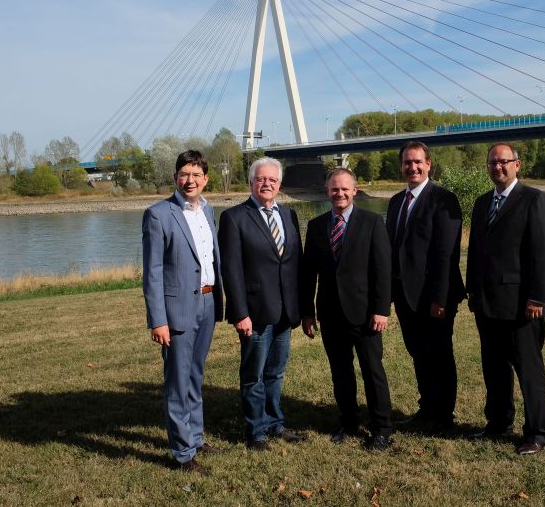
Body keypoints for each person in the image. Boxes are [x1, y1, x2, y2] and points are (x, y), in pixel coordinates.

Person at [466, 143, 545, 455]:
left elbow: (543, 253)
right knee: (494, 369)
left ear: (517, 165)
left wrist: (538, 298)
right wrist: (472, 292)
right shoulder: (481, 204)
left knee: (529, 371)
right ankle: (498, 422)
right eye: (493, 163)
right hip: (487, 303)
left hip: (522, 306)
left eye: (504, 162)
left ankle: (537, 433)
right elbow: (476, 253)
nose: (498, 168)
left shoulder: (533, 199)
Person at [142, 149, 224, 475]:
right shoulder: (158, 214)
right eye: (184, 174)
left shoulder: (208, 210)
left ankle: (197, 437)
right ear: (176, 177)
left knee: (195, 376)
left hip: (207, 302)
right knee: (177, 382)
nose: (189, 180)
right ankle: (183, 453)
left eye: (196, 175)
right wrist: (158, 320)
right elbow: (152, 272)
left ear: (205, 179)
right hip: (177, 310)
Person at [300, 167, 394, 450]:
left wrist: (381, 309)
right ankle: (349, 421)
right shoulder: (316, 226)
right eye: (333, 189)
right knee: (340, 371)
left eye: (344, 189)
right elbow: (308, 274)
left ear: (355, 190)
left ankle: (382, 429)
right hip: (330, 312)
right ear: (326, 191)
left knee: (372, 370)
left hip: (365, 313)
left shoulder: (373, 221)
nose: (339, 194)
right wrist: (307, 311)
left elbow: (383, 269)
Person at [218, 157, 304, 451]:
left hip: (286, 310)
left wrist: (303, 308)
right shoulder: (234, 217)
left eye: (272, 180)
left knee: (276, 372)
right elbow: (231, 270)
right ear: (251, 182)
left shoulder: (290, 215)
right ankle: (256, 431)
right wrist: (240, 312)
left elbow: (296, 265)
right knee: (253, 374)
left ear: (279, 185)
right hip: (254, 312)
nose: (266, 184)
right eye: (261, 179)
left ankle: (275, 423)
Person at [387, 141, 465, 435]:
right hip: (406, 297)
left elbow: (447, 253)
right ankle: (427, 408)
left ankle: (444, 416)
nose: (413, 167)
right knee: (419, 353)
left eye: (418, 162)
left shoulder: (443, 199)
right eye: (407, 162)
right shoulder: (396, 202)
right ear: (401, 166)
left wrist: (440, 297)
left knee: (440, 355)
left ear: (429, 164)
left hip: (435, 297)